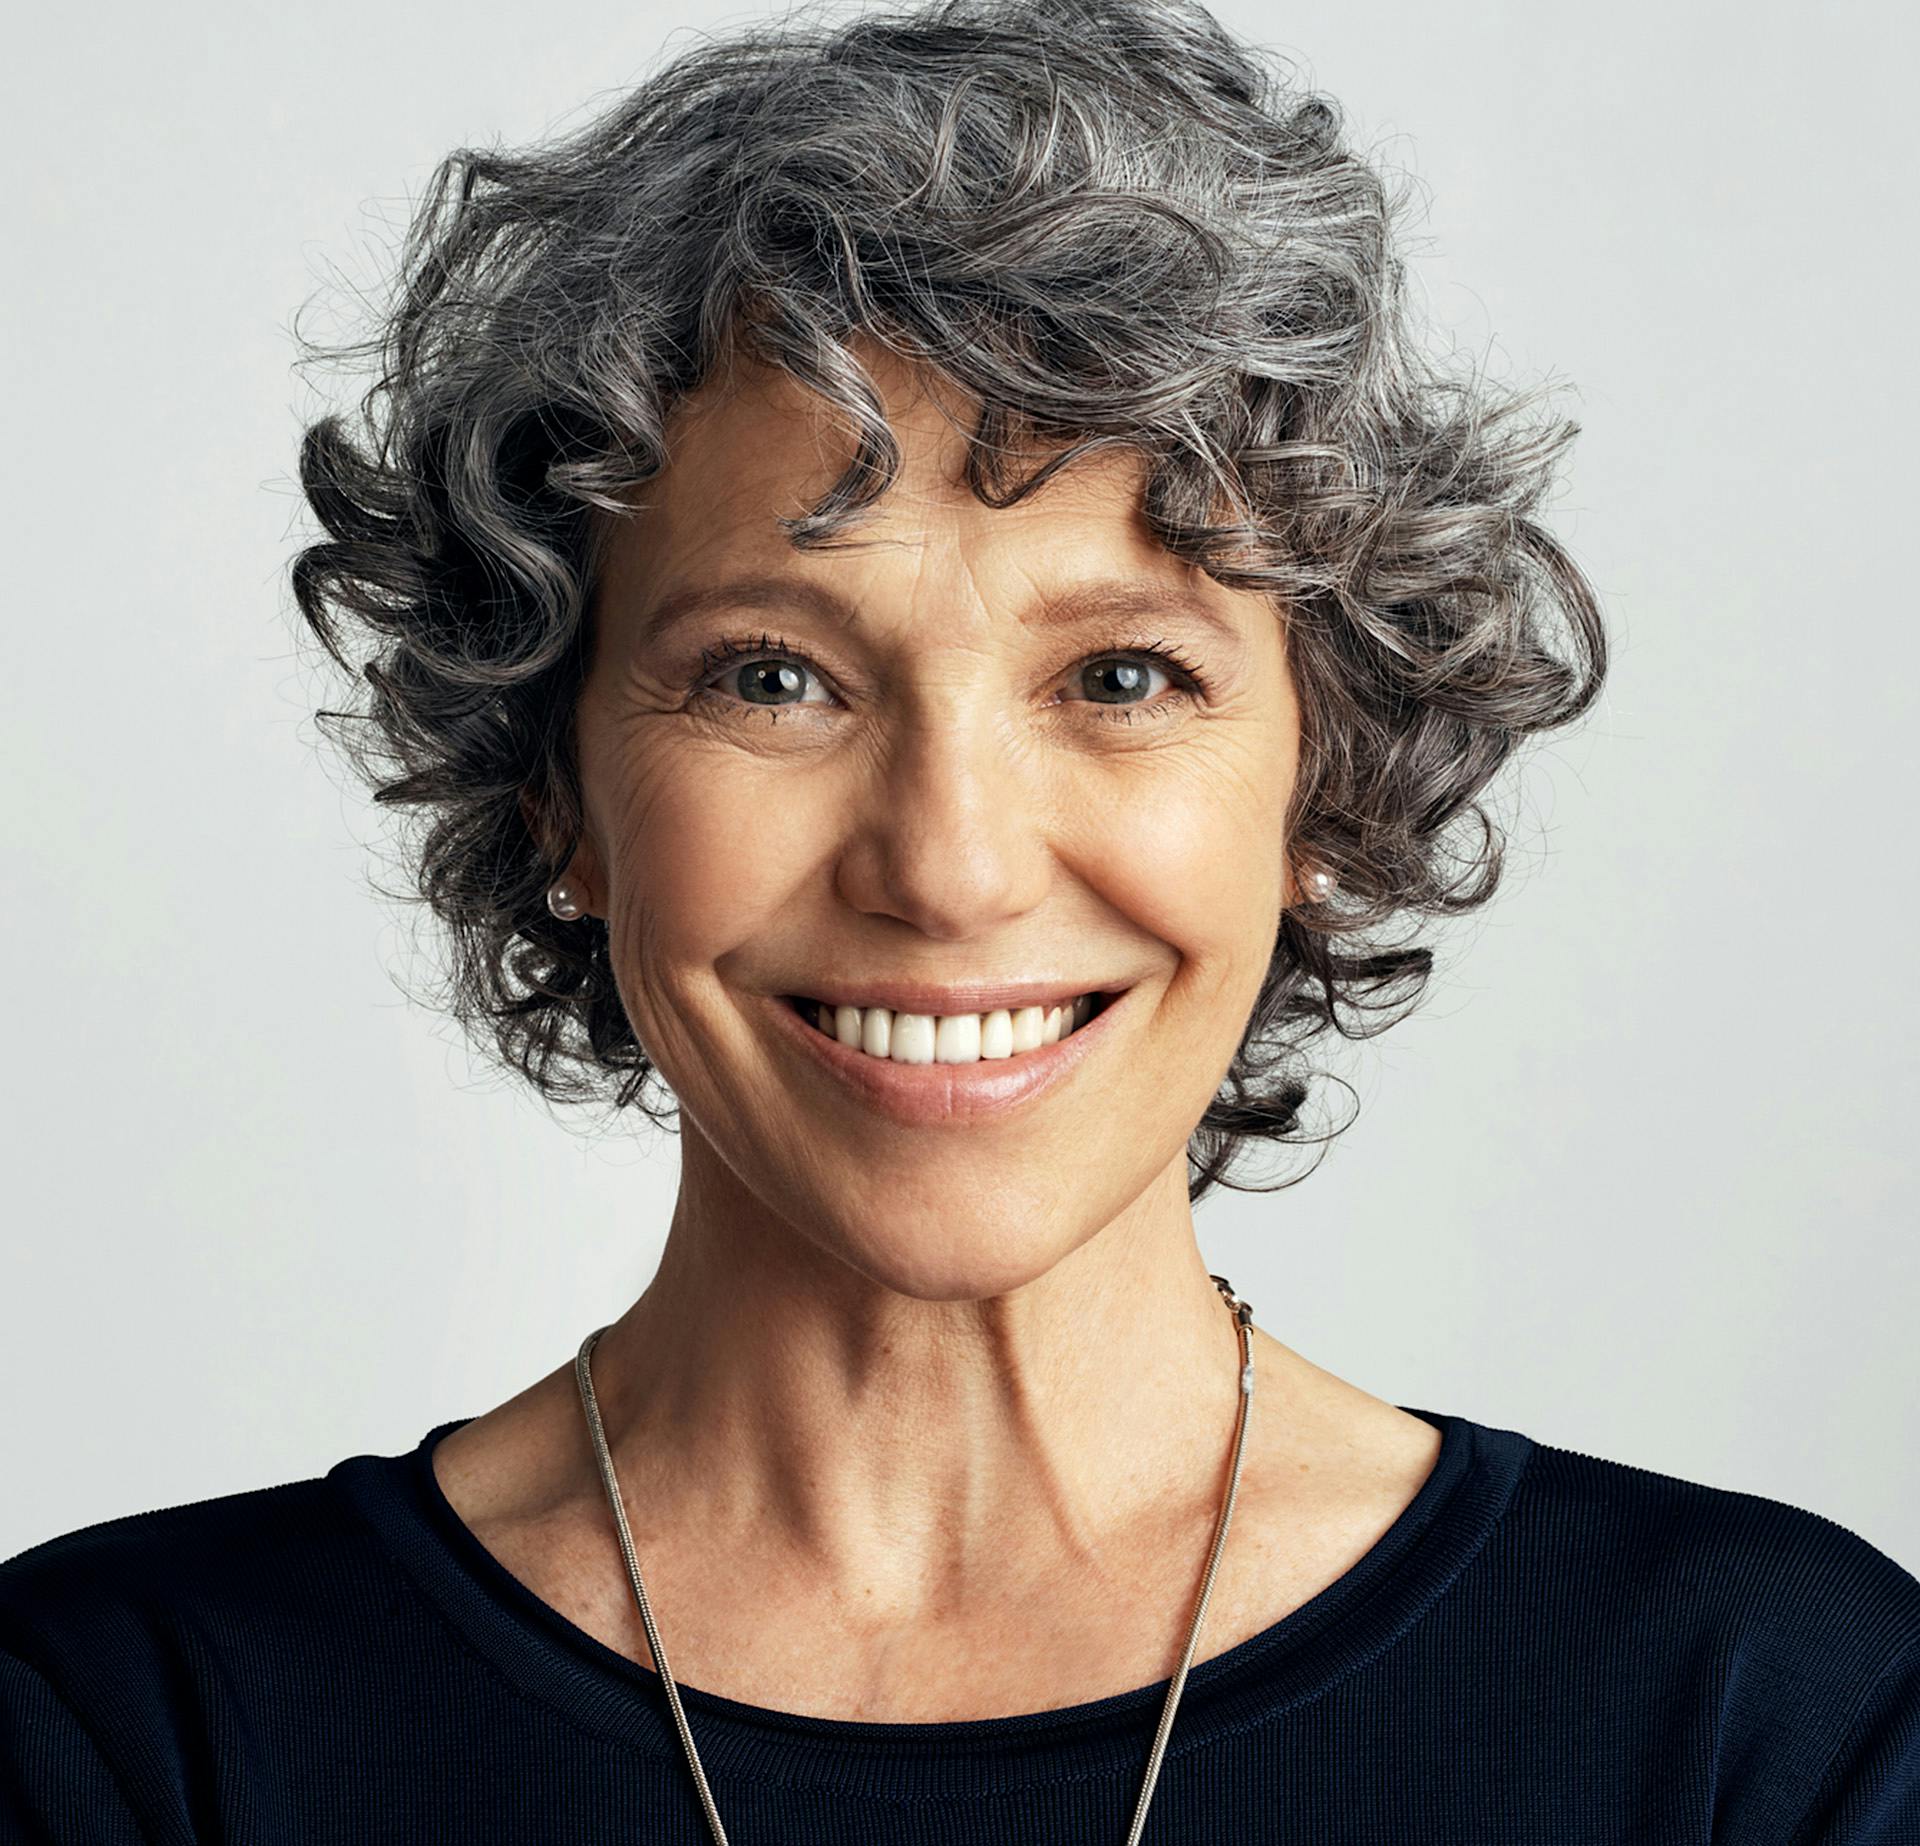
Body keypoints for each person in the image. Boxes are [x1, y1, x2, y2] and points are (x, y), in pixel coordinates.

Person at [5, 0, 1916, 1838]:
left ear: (1321, 791)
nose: (952, 864)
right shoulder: (119, 1736)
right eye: (772, 676)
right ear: (555, 791)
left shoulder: (1763, 1722)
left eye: (1123, 678)